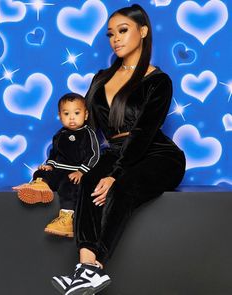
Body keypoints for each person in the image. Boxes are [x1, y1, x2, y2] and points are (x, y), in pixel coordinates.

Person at [51, 4, 186, 295]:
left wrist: (116, 174)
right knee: (87, 181)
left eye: (123, 31)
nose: (116, 39)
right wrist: (57, 164)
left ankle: (96, 266)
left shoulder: (158, 81)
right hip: (114, 150)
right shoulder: (101, 78)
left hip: (157, 152)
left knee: (121, 186)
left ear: (143, 31)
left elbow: (143, 132)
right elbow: (85, 126)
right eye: (111, 34)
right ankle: (84, 269)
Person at [13, 93, 100, 238]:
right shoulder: (60, 134)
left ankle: (66, 220)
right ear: (60, 116)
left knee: (69, 188)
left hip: (74, 174)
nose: (71, 117)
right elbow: (54, 154)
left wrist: (81, 172)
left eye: (76, 113)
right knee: (40, 172)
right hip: (58, 171)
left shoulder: (88, 134)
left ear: (85, 115)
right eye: (66, 114)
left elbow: (94, 155)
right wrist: (50, 166)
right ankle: (40, 187)